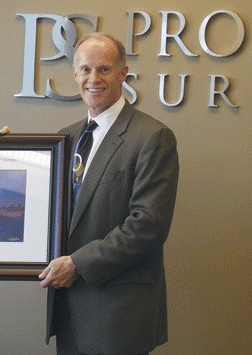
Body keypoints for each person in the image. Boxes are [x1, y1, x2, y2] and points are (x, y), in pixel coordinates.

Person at [39, 33, 179, 355]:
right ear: (75, 75)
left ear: (123, 73)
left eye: (104, 69)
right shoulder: (66, 137)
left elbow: (148, 225)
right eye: (85, 69)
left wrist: (77, 264)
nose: (94, 78)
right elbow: (49, 210)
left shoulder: (152, 137)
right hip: (70, 309)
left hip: (119, 314)